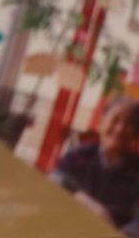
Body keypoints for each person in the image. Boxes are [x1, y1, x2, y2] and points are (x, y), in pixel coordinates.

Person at [51, 98, 139, 235]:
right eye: (115, 120)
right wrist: (86, 201)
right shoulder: (78, 156)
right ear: (102, 122)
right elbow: (54, 186)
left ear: (135, 133)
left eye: (129, 124)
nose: (120, 129)